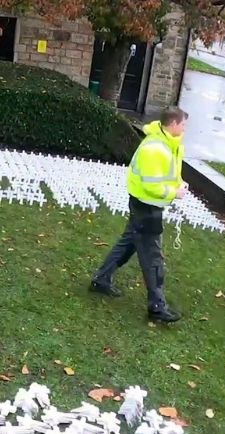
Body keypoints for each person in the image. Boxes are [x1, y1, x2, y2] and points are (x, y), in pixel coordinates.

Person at [90, 106, 188, 324]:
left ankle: (101, 279)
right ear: (173, 124)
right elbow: (151, 184)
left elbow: (168, 174)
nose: (184, 129)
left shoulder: (168, 144)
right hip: (146, 208)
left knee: (128, 243)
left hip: (145, 206)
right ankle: (157, 307)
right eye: (183, 125)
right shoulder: (155, 149)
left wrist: (179, 184)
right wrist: (175, 193)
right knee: (153, 258)